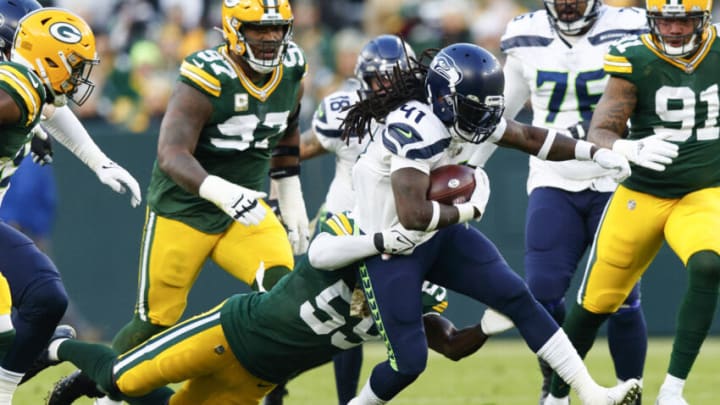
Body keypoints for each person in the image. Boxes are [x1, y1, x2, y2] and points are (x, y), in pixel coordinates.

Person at [341, 42, 643, 405]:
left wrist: (596, 154)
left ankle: (590, 393)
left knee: (518, 296)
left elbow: (531, 137)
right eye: (473, 109)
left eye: (489, 110)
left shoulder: (469, 112)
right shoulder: (414, 127)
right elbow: (413, 216)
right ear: (443, 99)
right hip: (391, 247)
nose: (483, 120)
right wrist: (472, 208)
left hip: (438, 237)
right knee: (408, 364)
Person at [55, 1, 311, 404]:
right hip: (186, 209)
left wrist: (289, 190)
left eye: (278, 28)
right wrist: (220, 191)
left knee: (282, 300)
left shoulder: (292, 64)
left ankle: (265, 394)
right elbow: (171, 154)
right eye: (258, 29)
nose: (271, 38)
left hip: (244, 210)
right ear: (232, 28)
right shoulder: (207, 75)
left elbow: (288, 124)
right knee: (155, 321)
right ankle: (101, 389)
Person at [35, 212, 495, 405]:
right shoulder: (354, 230)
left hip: (258, 379)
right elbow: (321, 253)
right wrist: (379, 245)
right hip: (232, 329)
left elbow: (451, 345)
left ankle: (91, 370)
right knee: (122, 380)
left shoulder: (424, 292)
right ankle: (61, 348)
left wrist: (494, 323)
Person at [301, 34, 496, 405]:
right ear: (363, 79)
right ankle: (285, 389)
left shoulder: (429, 113)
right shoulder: (344, 108)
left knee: (425, 328)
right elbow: (296, 147)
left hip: (398, 230)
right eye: (379, 79)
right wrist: (285, 195)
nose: (387, 86)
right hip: (344, 225)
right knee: (328, 318)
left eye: (396, 77)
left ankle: (473, 333)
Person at [545, 1, 718, 404]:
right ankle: (555, 396)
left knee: (710, 263)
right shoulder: (633, 57)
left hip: (703, 191)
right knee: (595, 303)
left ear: (703, 18)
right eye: (666, 19)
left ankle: (673, 391)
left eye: (684, 19)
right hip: (642, 192)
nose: (674, 29)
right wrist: (627, 146)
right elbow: (601, 129)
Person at [491, 1, 650, 402]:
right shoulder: (525, 37)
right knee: (542, 293)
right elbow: (499, 115)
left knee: (621, 297)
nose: (566, 4)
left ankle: (632, 387)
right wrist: (468, 164)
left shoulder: (628, 27)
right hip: (554, 177)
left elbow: (646, 95)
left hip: (614, 177)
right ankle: (555, 384)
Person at [0, 5, 143, 404]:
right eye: (75, 65)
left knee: (46, 299)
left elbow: (46, 106)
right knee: (17, 320)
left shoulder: (28, 88)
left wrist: (98, 161)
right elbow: (23, 96)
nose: (81, 76)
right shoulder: (20, 87)